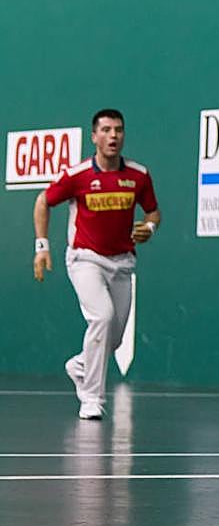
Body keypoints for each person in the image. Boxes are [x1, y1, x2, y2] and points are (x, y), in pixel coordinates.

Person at [33, 109, 161, 421]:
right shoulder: (77, 176)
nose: (113, 135)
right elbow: (43, 201)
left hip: (123, 262)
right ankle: (91, 399)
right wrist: (42, 247)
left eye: (118, 130)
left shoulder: (138, 175)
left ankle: (81, 366)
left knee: (113, 339)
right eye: (105, 130)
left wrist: (150, 227)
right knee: (102, 318)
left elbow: (153, 212)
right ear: (94, 137)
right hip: (85, 258)